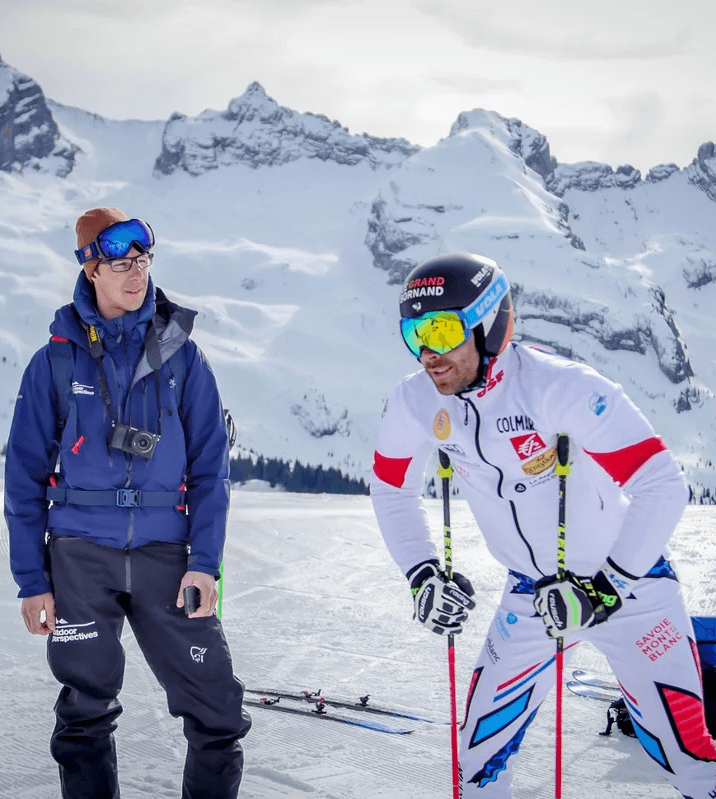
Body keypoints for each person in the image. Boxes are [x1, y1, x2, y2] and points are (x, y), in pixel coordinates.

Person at [370, 251, 716, 798]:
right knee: (477, 761)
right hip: (531, 595)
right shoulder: (414, 402)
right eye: (414, 333)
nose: (428, 352)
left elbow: (661, 484)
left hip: (631, 590)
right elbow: (391, 490)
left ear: (489, 323)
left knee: (687, 757)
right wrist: (421, 573)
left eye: (440, 329)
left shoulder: (560, 386)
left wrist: (604, 592)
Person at [4, 207, 251, 799]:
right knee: (85, 711)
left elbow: (211, 469)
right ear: (91, 268)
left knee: (216, 710)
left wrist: (205, 561)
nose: (136, 273)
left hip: (168, 554)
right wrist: (32, 581)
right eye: (120, 262)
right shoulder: (55, 363)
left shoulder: (183, 357)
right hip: (81, 558)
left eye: (142, 260)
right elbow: (23, 478)